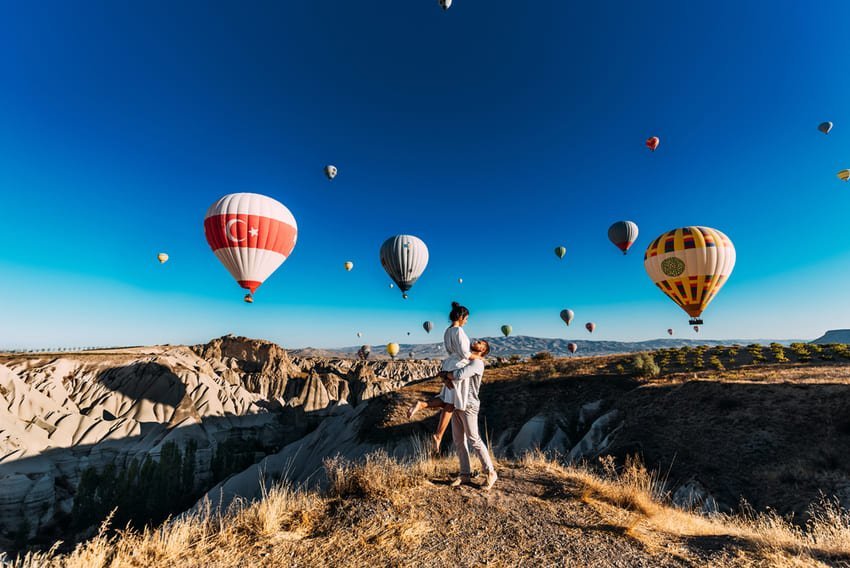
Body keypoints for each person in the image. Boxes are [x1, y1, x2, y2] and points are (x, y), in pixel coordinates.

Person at [407, 302, 471, 450]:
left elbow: (451, 351)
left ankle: (423, 405)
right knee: (452, 403)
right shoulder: (459, 331)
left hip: (449, 364)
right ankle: (438, 435)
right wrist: (478, 358)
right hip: (457, 367)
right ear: (461, 317)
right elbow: (465, 353)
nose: (466, 321)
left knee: (447, 400)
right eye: (466, 318)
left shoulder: (447, 331)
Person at [446, 339, 497, 490]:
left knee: (474, 439)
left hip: (469, 405)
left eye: (481, 342)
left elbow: (459, 375)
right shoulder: (466, 360)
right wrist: (446, 374)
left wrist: (445, 374)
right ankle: (465, 474)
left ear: (483, 350)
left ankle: (490, 473)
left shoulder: (478, 363)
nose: (476, 341)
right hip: (457, 403)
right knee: (458, 440)